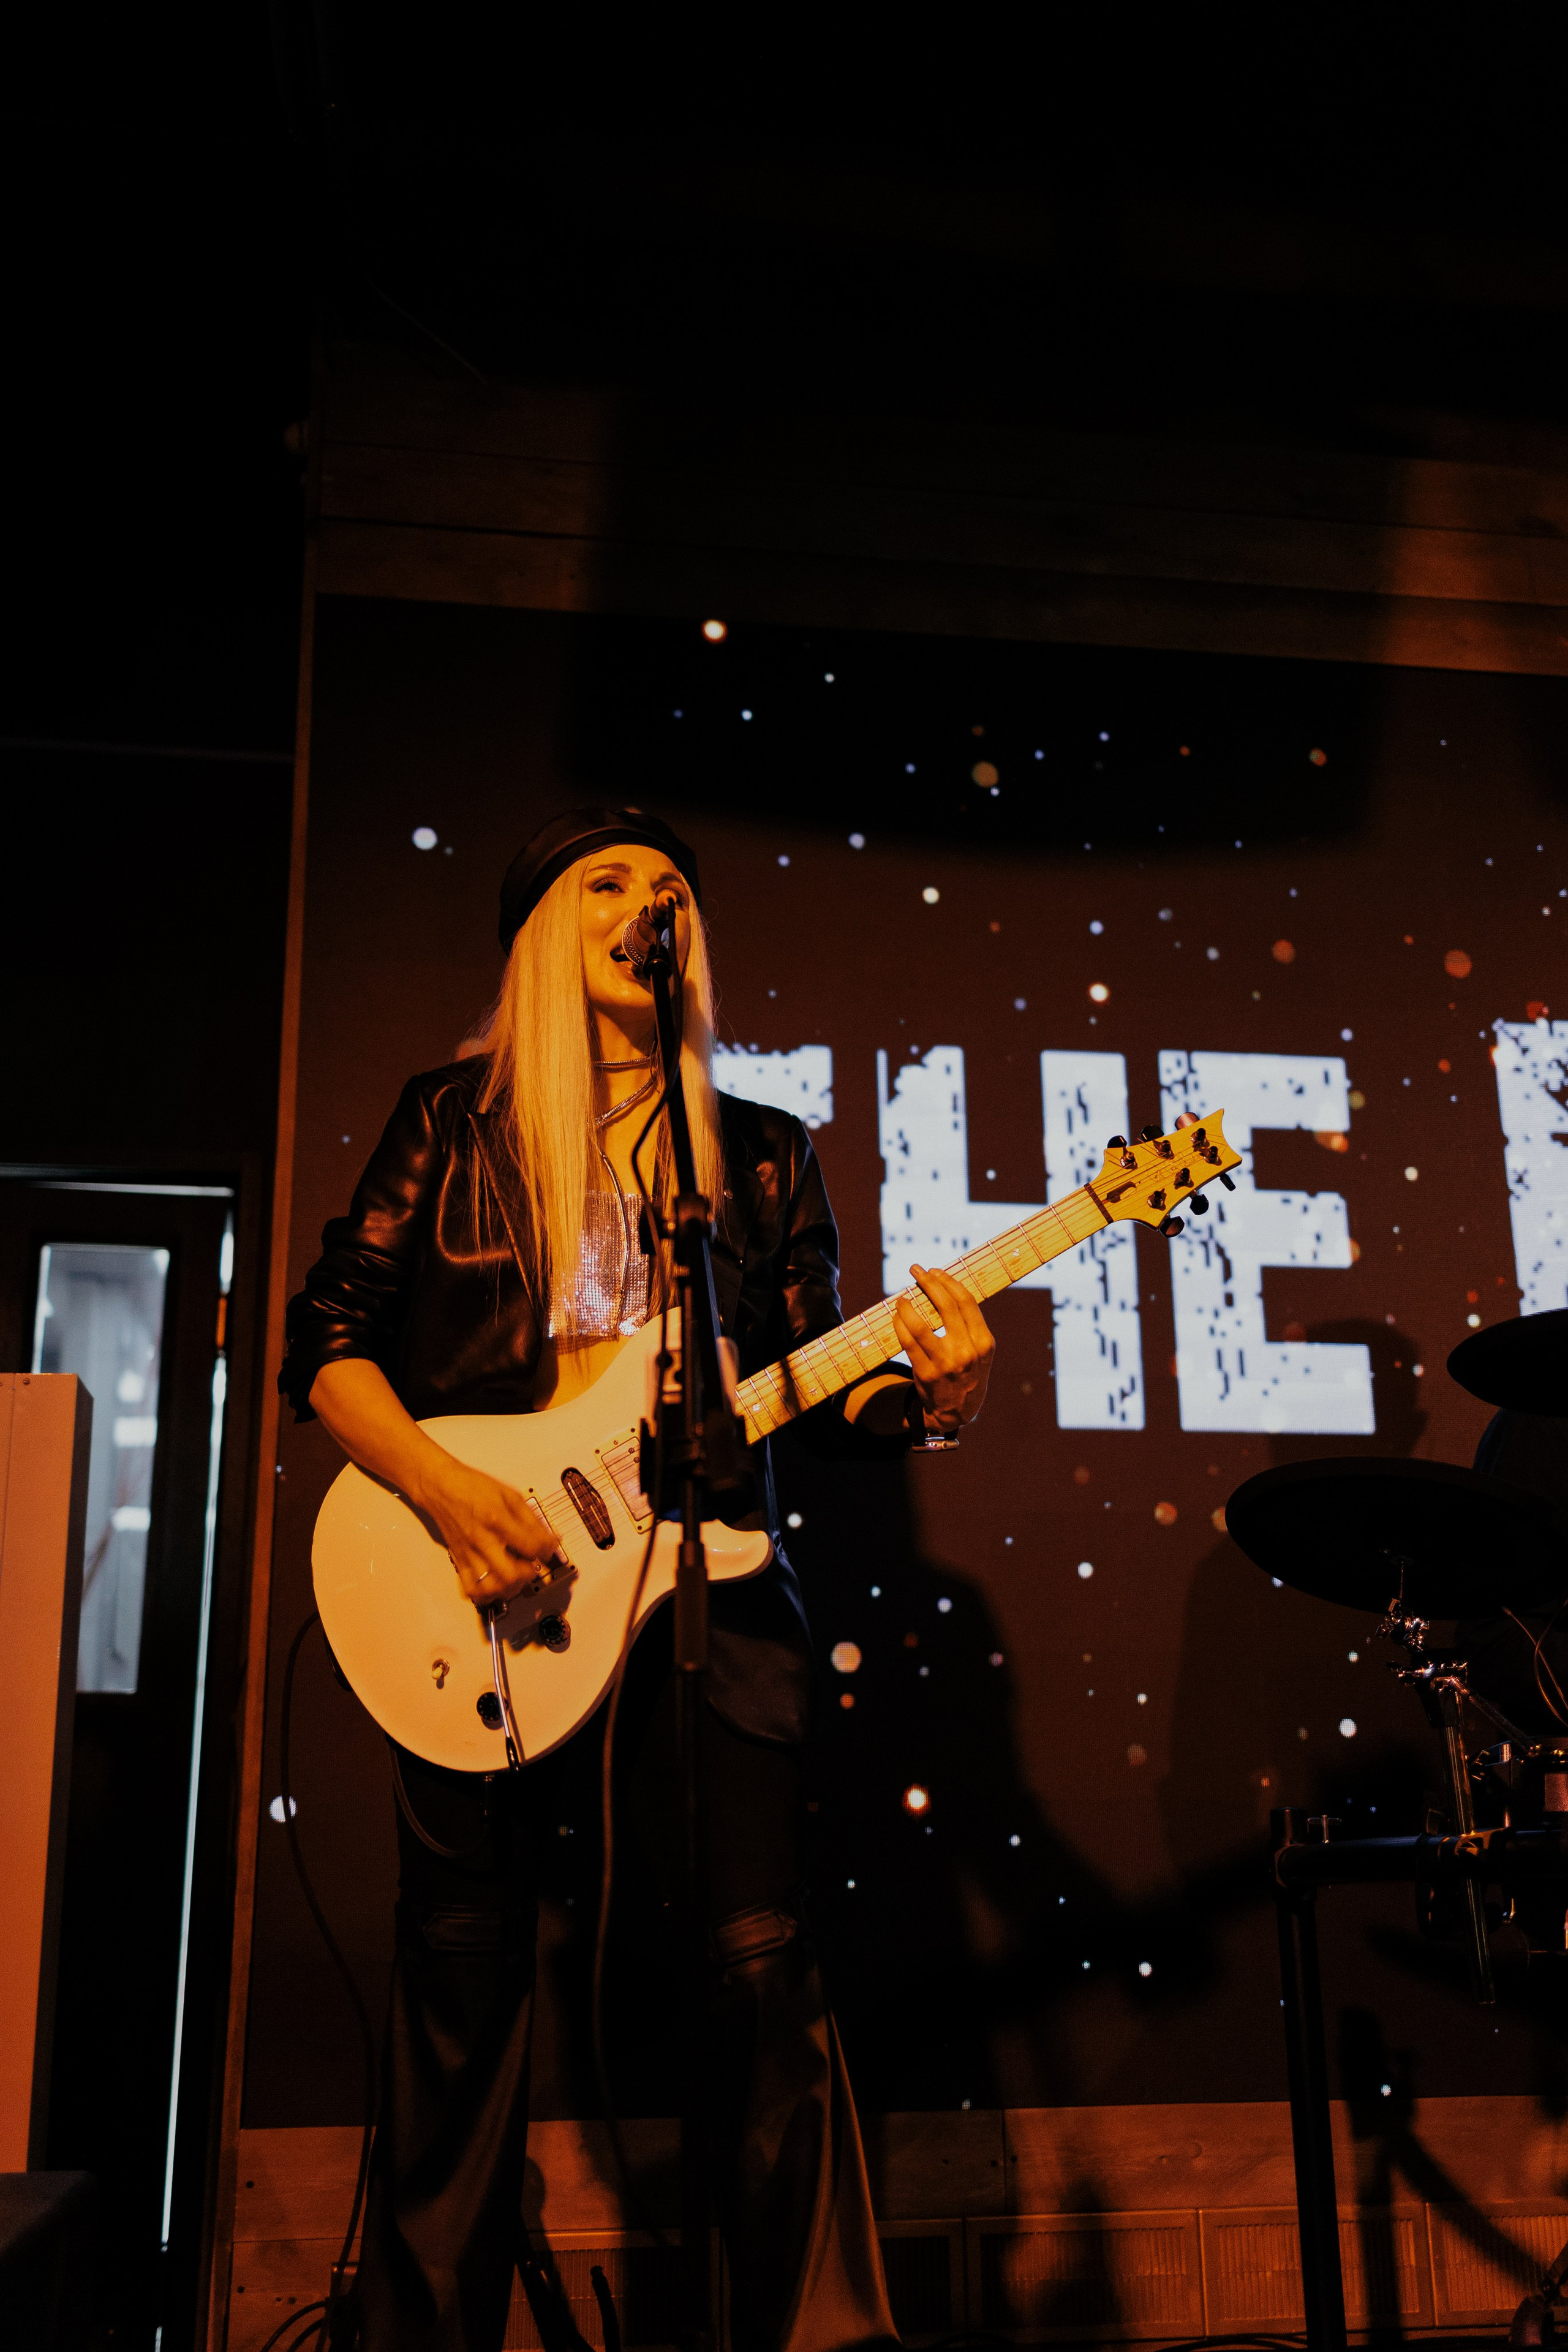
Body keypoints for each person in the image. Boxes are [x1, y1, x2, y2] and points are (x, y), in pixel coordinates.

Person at [279, 808, 996, 2352]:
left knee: (760, 1966)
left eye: (667, 887)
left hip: (709, 1584)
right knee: (458, 1973)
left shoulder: (759, 1152)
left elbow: (820, 1387)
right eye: (606, 882)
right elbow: (326, 1345)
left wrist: (932, 1394)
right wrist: (452, 1496)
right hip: (483, 1582)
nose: (644, 903)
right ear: (548, 927)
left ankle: (815, 2338)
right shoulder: (452, 1120)